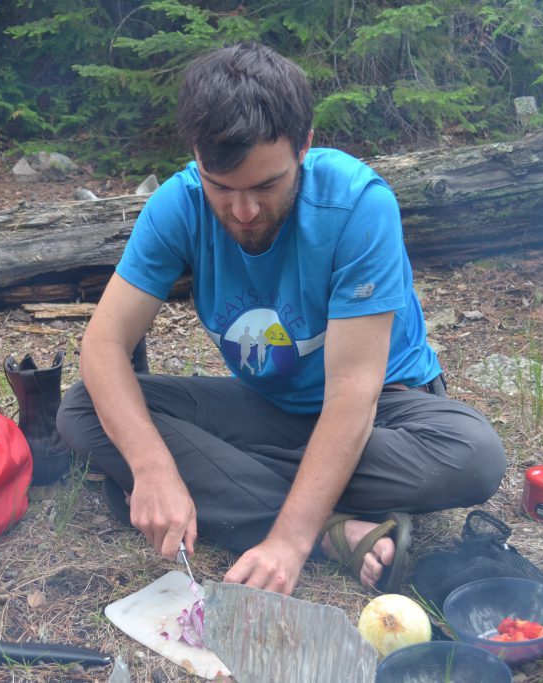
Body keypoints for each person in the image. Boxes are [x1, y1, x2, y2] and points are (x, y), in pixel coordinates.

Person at [57, 43, 506, 596]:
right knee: (83, 407)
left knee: (474, 455)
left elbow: (352, 395)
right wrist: (151, 466)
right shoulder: (178, 205)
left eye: (266, 186)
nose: (243, 212)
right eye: (221, 188)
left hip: (385, 412)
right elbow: (103, 346)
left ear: (305, 146)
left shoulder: (357, 206)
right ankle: (334, 529)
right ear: (197, 156)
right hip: (273, 408)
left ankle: (237, 481)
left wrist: (288, 541)